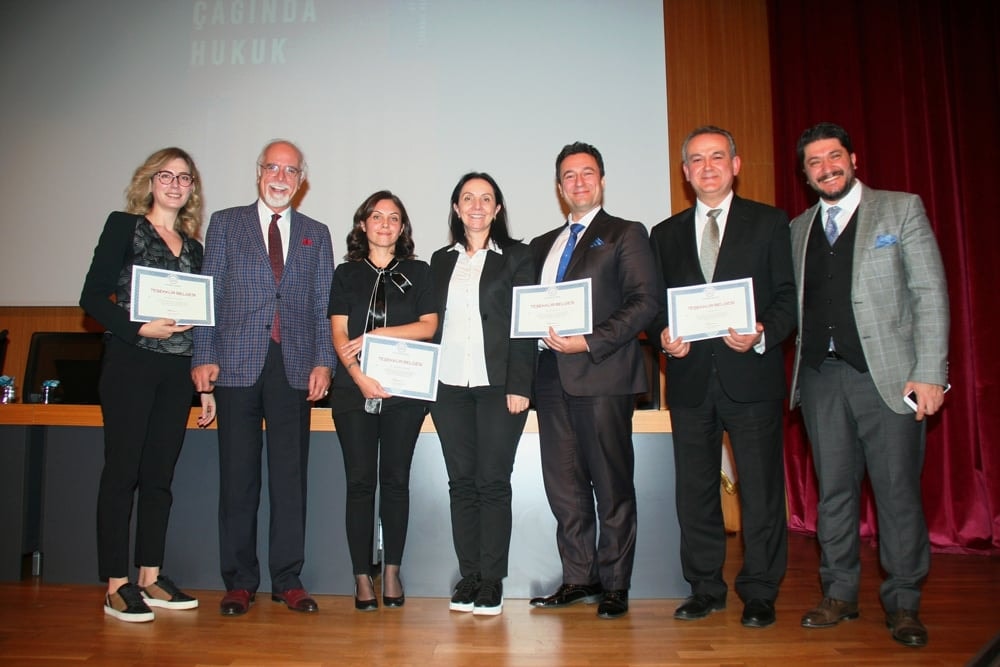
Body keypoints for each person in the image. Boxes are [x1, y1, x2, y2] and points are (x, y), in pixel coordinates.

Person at [789, 122, 949, 648]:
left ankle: (903, 602)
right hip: (820, 379)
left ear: (853, 159)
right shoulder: (798, 229)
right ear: (805, 173)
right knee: (834, 493)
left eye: (834, 156)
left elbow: (929, 292)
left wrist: (931, 371)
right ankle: (839, 593)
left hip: (889, 378)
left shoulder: (900, 209)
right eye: (815, 162)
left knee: (896, 492)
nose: (826, 168)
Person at [647, 126, 796, 628]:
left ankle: (760, 590)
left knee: (761, 490)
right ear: (685, 172)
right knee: (695, 491)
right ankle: (705, 587)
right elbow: (654, 305)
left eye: (716, 157)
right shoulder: (665, 234)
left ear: (735, 165)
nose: (706, 167)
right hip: (690, 380)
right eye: (696, 159)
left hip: (751, 377)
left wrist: (761, 332)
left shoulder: (770, 222)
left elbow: (788, 297)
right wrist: (663, 335)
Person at [192, 139, 335, 617]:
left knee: (290, 479)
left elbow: (323, 305)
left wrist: (324, 362)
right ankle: (239, 582)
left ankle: (288, 579)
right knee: (238, 478)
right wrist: (203, 356)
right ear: (259, 173)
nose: (281, 177)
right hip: (235, 364)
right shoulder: (225, 224)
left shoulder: (317, 233)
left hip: (294, 366)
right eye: (273, 168)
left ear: (301, 180)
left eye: (291, 170)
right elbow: (209, 295)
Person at [80, 147, 216, 623]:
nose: (175, 184)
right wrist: (138, 327)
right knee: (123, 473)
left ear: (192, 189)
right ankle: (116, 584)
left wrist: (205, 386)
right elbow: (92, 297)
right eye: (167, 175)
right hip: (130, 363)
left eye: (184, 178)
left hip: (176, 372)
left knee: (160, 476)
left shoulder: (195, 248)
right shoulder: (124, 226)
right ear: (150, 181)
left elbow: (201, 322)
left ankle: (150, 576)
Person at [527, 142, 659, 619]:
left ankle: (615, 584)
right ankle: (579, 577)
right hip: (549, 379)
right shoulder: (542, 244)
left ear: (601, 180)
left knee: (611, 484)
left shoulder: (625, 233)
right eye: (569, 175)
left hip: (602, 374)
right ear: (559, 187)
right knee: (564, 488)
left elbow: (645, 302)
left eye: (587, 173)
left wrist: (588, 340)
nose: (578, 182)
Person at [429, 173, 536, 616]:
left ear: (497, 209)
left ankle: (492, 580)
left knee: (493, 482)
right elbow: (428, 323)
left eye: (486, 199)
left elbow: (525, 325)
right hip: (447, 387)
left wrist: (520, 384)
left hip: (498, 387)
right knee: (461, 483)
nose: (476, 206)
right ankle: (469, 575)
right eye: (468, 198)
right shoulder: (439, 260)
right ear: (456, 208)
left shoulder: (518, 257)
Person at [328, 190, 437, 611]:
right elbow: (339, 333)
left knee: (395, 481)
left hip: (404, 392)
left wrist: (377, 336)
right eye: (377, 216)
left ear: (402, 227)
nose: (385, 224)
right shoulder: (345, 273)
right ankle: (361, 575)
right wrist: (358, 377)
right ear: (363, 224)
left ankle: (391, 569)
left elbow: (428, 326)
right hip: (353, 390)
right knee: (359, 483)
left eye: (394, 218)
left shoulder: (419, 271)